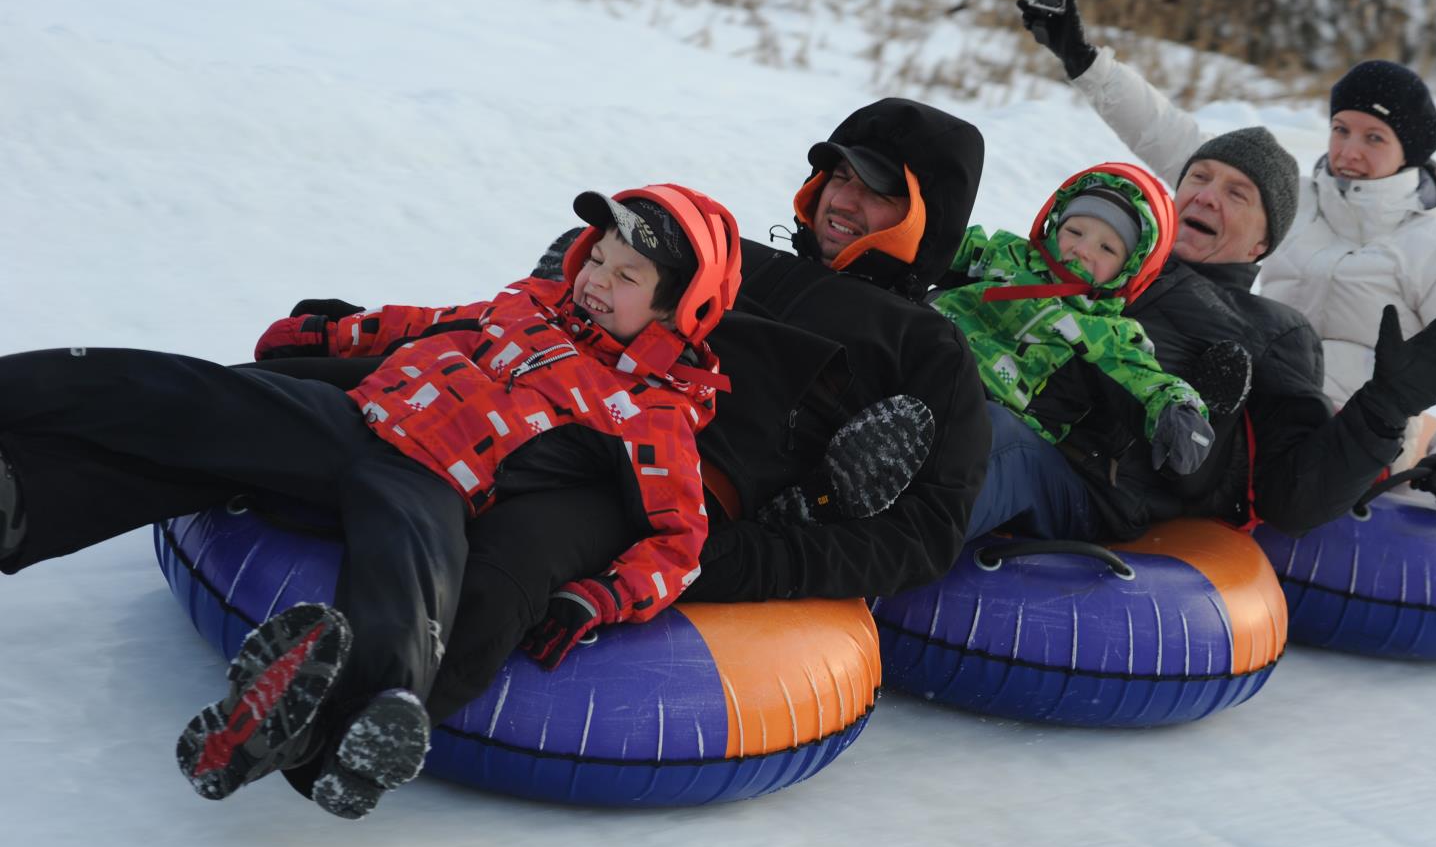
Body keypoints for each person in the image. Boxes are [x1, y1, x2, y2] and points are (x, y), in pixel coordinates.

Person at [0, 182, 742, 818]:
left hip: (430, 486)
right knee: (194, 394)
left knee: (408, 597)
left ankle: (332, 735)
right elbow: (421, 323)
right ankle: (19, 486)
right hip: (355, 419)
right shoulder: (527, 302)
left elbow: (679, 540)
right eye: (600, 258)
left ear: (682, 309)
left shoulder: (652, 410)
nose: (596, 281)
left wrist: (601, 597)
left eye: (627, 275)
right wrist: (328, 328)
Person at [258, 99, 991, 722]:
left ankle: (363, 708)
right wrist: (377, 329)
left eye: (875, 191)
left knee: (508, 549)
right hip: (550, 395)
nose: (842, 200)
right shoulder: (730, 253)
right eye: (837, 175)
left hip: (675, 485)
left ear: (926, 219)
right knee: (305, 396)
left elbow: (924, 536)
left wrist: (726, 558)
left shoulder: (927, 348)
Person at [1019, 0, 1436, 513]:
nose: (1349, 151)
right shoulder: (1288, 203)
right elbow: (1170, 137)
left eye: (1374, 139)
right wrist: (1084, 61)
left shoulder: (1433, 251)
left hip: (1347, 444)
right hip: (1247, 411)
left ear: (1409, 153)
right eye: (1341, 129)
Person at [931, 162, 1242, 540]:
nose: (1081, 249)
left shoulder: (1106, 333)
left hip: (985, 412)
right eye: (1075, 230)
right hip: (926, 364)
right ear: (1055, 223)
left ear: (1128, 270)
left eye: (1107, 247)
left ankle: (902, 533)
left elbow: (1146, 378)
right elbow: (942, 242)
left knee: (987, 435)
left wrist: (1178, 409)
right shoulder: (1004, 255)